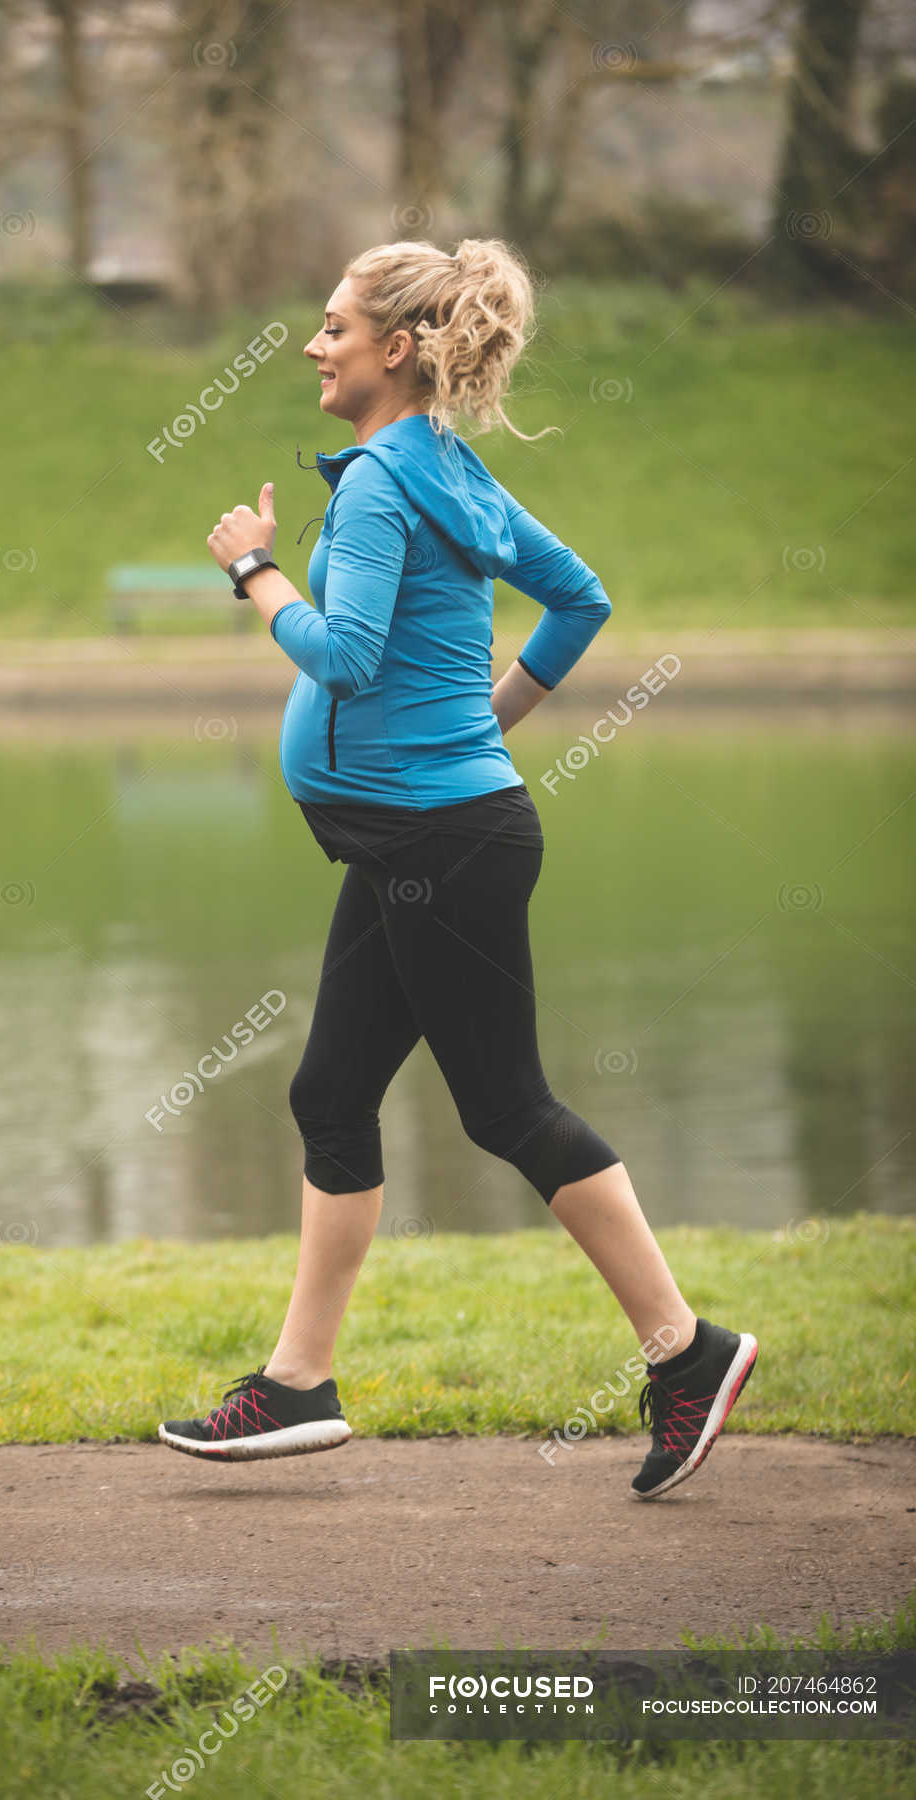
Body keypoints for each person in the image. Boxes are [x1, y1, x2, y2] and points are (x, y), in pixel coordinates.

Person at [158, 238, 757, 1500]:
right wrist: (490, 723)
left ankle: (687, 1351)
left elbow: (348, 659)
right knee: (330, 1094)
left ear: (397, 348)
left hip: (441, 843)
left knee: (507, 1108)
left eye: (331, 327)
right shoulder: (442, 464)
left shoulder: (383, 483)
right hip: (414, 837)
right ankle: (299, 1383)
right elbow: (580, 599)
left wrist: (253, 573)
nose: (313, 347)